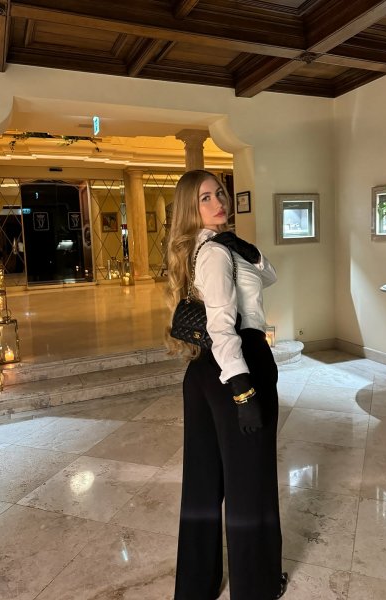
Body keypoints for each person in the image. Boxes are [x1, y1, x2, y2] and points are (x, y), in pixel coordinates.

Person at [165, 169, 288, 600]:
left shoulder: (213, 248)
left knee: (204, 479)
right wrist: (243, 389)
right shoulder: (215, 253)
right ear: (190, 208)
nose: (219, 202)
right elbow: (221, 326)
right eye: (205, 198)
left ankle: (197, 584)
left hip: (203, 370)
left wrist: (245, 248)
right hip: (237, 363)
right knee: (250, 480)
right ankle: (255, 587)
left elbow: (268, 275)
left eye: (219, 193)